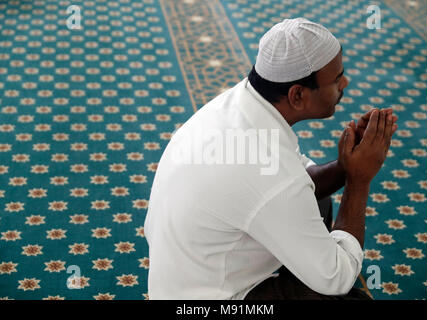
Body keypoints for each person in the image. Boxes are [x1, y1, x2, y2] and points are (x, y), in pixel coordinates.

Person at [143, 18, 398, 300]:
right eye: (337, 79)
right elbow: (337, 278)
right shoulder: (272, 171)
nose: (345, 83)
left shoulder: (240, 103)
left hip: (184, 278)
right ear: (298, 95)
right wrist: (359, 179)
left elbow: (294, 182)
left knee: (316, 201)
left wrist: (345, 166)